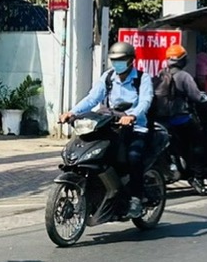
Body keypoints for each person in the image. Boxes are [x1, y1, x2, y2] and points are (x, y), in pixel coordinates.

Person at [60, 41, 154, 218]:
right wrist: (72, 112)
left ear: (131, 60)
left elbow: (145, 102)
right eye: (113, 60)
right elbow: (92, 98)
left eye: (121, 60)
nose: (116, 63)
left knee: (133, 157)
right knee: (94, 152)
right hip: (110, 125)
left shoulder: (143, 78)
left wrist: (132, 115)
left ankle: (136, 198)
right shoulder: (108, 77)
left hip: (135, 127)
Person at [153, 43, 207, 184]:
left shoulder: (161, 74)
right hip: (180, 119)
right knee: (198, 143)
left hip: (161, 120)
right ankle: (198, 178)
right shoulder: (184, 76)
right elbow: (197, 97)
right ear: (182, 60)